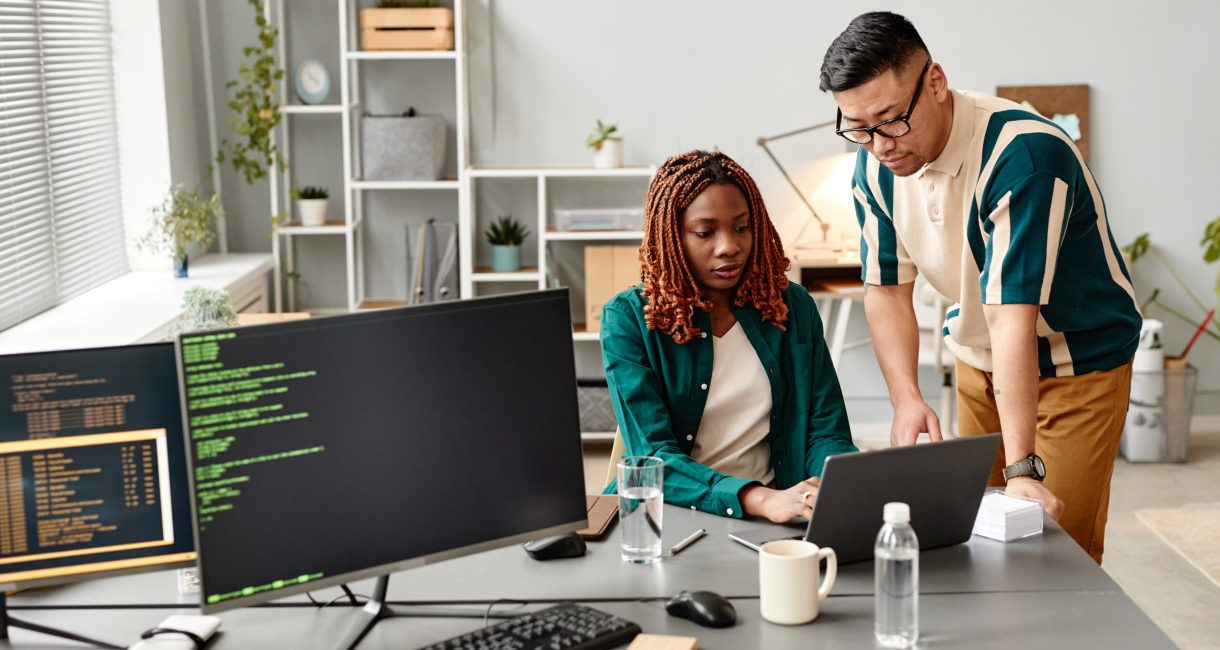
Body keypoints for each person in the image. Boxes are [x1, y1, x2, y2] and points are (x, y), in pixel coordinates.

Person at [820, 12, 1141, 563]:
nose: (878, 144)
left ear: (936, 83)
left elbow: (1009, 318)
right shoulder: (875, 166)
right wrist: (906, 400)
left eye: (891, 120)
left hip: (1077, 363)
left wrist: (1023, 469)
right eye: (857, 126)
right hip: (980, 363)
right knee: (968, 539)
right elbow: (887, 290)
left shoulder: (1026, 156)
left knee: (1055, 551)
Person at [600, 149, 857, 523]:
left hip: (780, 512)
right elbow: (652, 457)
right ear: (672, 235)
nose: (729, 246)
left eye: (742, 226)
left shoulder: (791, 306)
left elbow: (825, 428)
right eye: (705, 232)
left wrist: (832, 485)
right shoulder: (627, 320)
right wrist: (759, 499)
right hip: (670, 514)